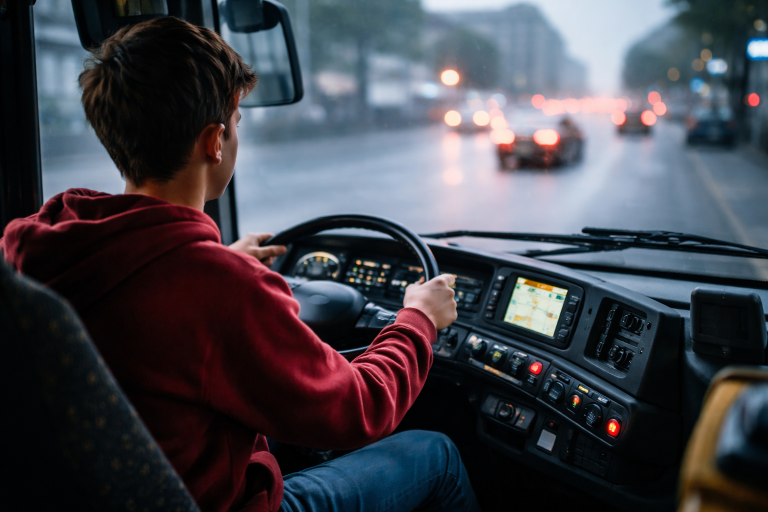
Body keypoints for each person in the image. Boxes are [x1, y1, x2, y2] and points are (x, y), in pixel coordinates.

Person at [1, 16, 480, 512]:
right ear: (214, 141)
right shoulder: (223, 291)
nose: (236, 135)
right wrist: (419, 319)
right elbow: (359, 409)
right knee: (436, 453)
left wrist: (217, 262)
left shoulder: (37, 246)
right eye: (237, 123)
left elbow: (150, 309)